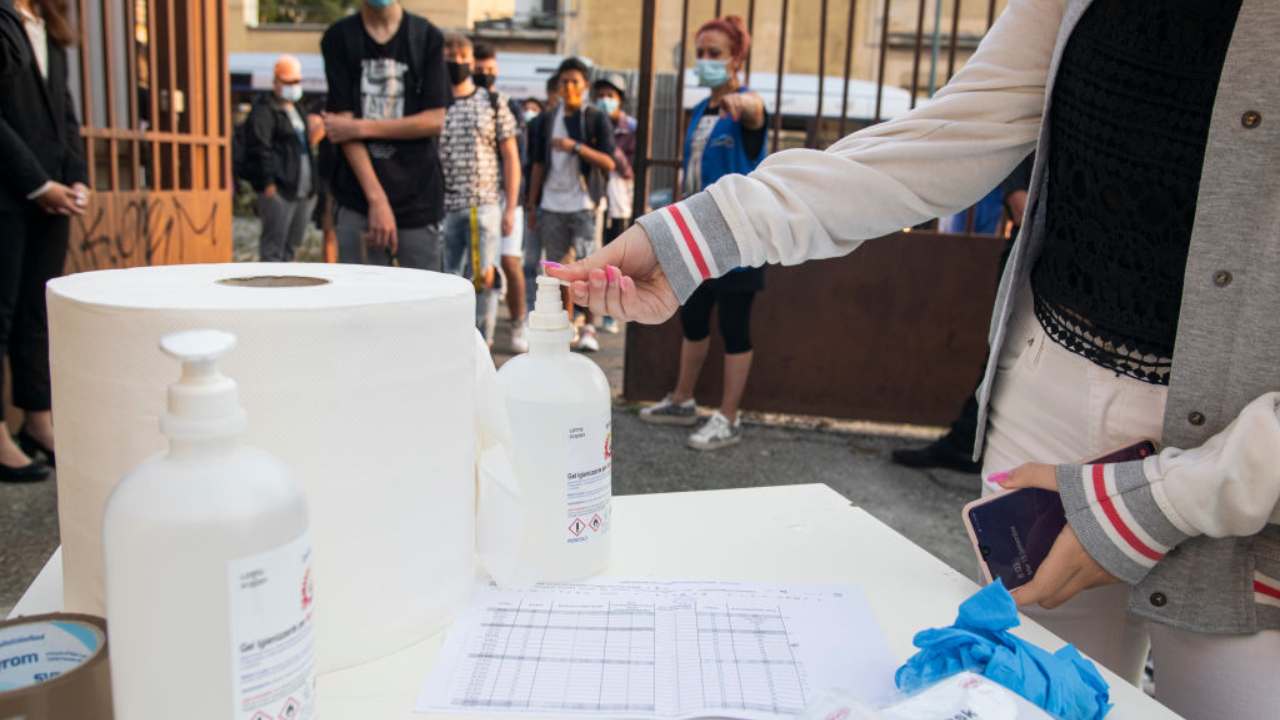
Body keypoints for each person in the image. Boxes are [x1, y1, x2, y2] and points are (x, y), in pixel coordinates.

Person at [553, 1, 1280, 717]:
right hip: (1045, 424)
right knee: (1013, 702)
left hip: (1246, 469)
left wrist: (1162, 503)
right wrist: (690, 238)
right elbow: (945, 138)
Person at [637, 15, 766, 452]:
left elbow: (755, 113)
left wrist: (741, 104)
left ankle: (729, 418)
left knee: (735, 327)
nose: (706, 61)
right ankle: (682, 400)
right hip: (694, 238)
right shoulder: (699, 112)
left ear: (736, 59)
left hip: (736, 238)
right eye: (701, 54)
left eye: (716, 54)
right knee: (692, 321)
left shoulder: (746, 106)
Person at [893, 153, 1034, 474]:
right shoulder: (1034, 138)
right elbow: (1021, 204)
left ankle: (970, 442)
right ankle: (968, 441)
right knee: (1003, 350)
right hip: (1029, 251)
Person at [0, 0, 86, 481]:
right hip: (11, 194)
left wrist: (75, 178)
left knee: (37, 311)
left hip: (54, 196)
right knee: (2, 312)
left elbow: (65, 112)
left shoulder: (50, 26)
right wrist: (37, 183)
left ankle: (38, 420)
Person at [320, 0, 450, 270]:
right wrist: (376, 200)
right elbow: (339, 125)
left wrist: (360, 127)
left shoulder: (426, 36)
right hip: (358, 196)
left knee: (423, 301)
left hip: (418, 198)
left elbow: (435, 120)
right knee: (361, 302)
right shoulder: (339, 37)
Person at [526, 57, 615, 352]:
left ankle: (590, 325)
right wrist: (531, 204)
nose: (569, 87)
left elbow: (608, 161)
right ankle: (567, 324)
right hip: (552, 203)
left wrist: (575, 146)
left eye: (575, 82)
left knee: (590, 266)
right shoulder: (547, 120)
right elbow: (538, 163)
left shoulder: (595, 118)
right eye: (564, 82)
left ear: (585, 85)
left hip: (583, 203)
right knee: (559, 270)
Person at [439, 34, 520, 347]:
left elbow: (510, 156)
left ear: (472, 61)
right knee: (448, 279)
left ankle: (481, 344)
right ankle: (451, 343)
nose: (457, 62)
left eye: (463, 56)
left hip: (482, 204)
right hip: (445, 206)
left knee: (485, 278)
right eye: (451, 55)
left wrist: (510, 206)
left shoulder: (492, 102)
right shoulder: (435, 105)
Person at [472, 41, 531, 352]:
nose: (484, 75)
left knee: (509, 262)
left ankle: (519, 322)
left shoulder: (507, 105)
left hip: (506, 200)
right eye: (478, 70)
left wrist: (511, 206)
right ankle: (485, 329)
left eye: (489, 70)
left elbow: (515, 159)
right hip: (477, 200)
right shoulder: (462, 101)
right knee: (482, 267)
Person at [244, 55, 317, 262]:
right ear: (276, 82)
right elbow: (260, 148)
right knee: (273, 248)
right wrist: (268, 183)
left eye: (296, 82)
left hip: (302, 189)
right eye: (288, 82)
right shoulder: (264, 111)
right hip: (279, 189)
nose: (293, 86)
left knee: (291, 246)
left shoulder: (298, 110)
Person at [592, 73, 636, 336]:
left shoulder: (630, 128)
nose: (604, 101)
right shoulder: (591, 122)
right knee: (593, 254)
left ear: (620, 99)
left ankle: (612, 313)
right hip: (595, 196)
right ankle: (590, 316)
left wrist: (609, 147)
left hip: (620, 198)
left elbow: (629, 170)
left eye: (610, 96)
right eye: (600, 96)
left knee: (616, 258)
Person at [521, 75, 559, 313]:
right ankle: (530, 310)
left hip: (564, 206)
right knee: (530, 262)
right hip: (539, 202)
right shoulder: (539, 124)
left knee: (559, 265)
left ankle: (560, 313)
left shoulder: (583, 120)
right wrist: (532, 204)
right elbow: (535, 164)